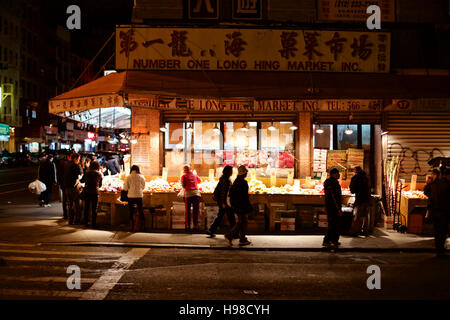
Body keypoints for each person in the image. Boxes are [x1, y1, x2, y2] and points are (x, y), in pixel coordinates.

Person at [424, 168, 450, 258]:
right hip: (444, 212)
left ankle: (438, 250)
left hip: (435, 212)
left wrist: (428, 183)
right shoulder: (448, 184)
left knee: (437, 231)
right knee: (442, 232)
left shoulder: (434, 184)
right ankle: (441, 250)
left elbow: (426, 192)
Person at [225, 165, 252, 246]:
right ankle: (230, 235)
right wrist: (248, 206)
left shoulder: (236, 181)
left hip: (237, 205)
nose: (246, 174)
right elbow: (245, 196)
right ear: (244, 173)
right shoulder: (243, 182)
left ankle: (242, 238)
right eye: (246, 173)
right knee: (242, 222)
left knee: (243, 221)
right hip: (241, 205)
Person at [206, 165, 236, 238]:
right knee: (231, 218)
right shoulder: (225, 180)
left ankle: (211, 230)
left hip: (225, 202)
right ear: (228, 172)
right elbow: (223, 192)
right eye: (231, 171)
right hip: (225, 202)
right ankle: (235, 233)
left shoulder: (224, 179)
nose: (232, 172)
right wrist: (222, 203)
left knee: (221, 217)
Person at [323, 168, 343, 251]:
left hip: (332, 206)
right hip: (333, 207)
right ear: (333, 174)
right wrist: (338, 208)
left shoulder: (332, 182)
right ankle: (328, 240)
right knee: (333, 224)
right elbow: (333, 197)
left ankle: (334, 240)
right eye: (337, 173)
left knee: (334, 224)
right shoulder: (332, 183)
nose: (339, 175)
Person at [348, 166, 371, 236]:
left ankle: (355, 231)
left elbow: (352, 189)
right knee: (366, 216)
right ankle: (365, 231)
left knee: (357, 215)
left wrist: (353, 190)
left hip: (360, 198)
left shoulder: (355, 177)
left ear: (355, 171)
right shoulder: (366, 177)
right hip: (367, 198)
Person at [81, 161, 103, 228]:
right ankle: (93, 223)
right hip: (95, 192)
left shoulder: (87, 173)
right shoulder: (99, 174)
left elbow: (82, 181)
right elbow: (100, 185)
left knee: (86, 208)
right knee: (94, 208)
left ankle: (86, 223)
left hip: (87, 191)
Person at [124, 165, 146, 231]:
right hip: (139, 195)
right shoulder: (141, 177)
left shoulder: (128, 177)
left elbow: (125, 188)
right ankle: (142, 226)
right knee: (140, 210)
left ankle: (132, 226)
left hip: (131, 196)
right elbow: (143, 186)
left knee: (131, 211)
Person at [63, 153, 82, 225]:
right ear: (75, 158)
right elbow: (79, 176)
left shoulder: (66, 164)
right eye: (78, 159)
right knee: (77, 204)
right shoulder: (76, 165)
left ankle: (70, 220)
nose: (79, 160)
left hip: (67, 187)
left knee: (70, 205)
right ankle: (77, 220)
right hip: (74, 187)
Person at [181, 165, 202, 231]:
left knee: (188, 210)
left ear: (184, 170)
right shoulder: (195, 175)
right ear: (190, 169)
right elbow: (200, 181)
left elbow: (183, 185)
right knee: (196, 210)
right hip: (196, 194)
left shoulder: (183, 176)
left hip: (188, 194)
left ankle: (188, 226)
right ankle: (195, 226)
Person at [57, 152, 71, 219]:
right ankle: (67, 213)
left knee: (65, 199)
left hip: (63, 183)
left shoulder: (61, 162)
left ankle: (65, 213)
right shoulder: (67, 163)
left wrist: (59, 183)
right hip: (67, 184)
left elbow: (58, 174)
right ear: (68, 156)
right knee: (68, 199)